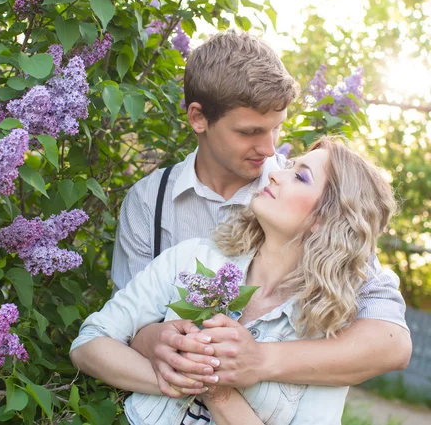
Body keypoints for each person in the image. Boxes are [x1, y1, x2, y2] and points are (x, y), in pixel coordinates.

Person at [110, 30, 411, 397]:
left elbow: (392, 342)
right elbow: (127, 324)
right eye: (250, 131)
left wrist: (260, 360)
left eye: (276, 128)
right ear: (198, 119)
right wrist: (154, 338)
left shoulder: (307, 201)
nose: (269, 150)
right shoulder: (148, 202)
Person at [71, 137, 400, 424]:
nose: (274, 173)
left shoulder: (325, 336)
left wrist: (221, 395)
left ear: (325, 219)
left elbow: (395, 344)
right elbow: (90, 344)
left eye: (299, 176)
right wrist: (180, 377)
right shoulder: (193, 259)